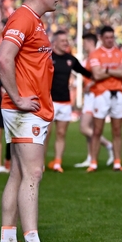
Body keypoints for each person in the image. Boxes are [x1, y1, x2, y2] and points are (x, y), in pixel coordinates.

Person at [0, 0, 60, 242]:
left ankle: (8, 240)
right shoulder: (23, 18)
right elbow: (3, 57)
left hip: (31, 109)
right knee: (34, 173)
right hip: (24, 110)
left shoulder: (35, 21)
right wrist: (16, 97)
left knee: (19, 173)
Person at [46, 30, 94, 173]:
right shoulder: (47, 57)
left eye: (66, 41)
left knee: (61, 134)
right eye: (62, 41)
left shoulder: (71, 59)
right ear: (54, 42)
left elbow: (87, 73)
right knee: (45, 134)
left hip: (65, 102)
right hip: (49, 102)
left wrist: (100, 76)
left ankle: (57, 163)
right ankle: (40, 164)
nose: (65, 43)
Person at [87, 26, 122, 172]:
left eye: (112, 37)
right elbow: (96, 75)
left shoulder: (121, 53)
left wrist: (105, 70)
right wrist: (114, 72)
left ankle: (117, 162)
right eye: (107, 37)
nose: (110, 40)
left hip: (117, 93)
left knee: (117, 130)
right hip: (101, 94)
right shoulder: (95, 54)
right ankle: (93, 162)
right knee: (97, 130)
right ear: (101, 38)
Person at [74, 33, 114, 169]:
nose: (83, 45)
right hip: (90, 95)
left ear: (90, 42)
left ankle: (108, 145)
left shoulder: (96, 55)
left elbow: (101, 73)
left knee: (84, 127)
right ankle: (90, 157)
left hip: (96, 94)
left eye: (84, 42)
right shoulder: (90, 57)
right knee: (88, 128)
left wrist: (91, 83)